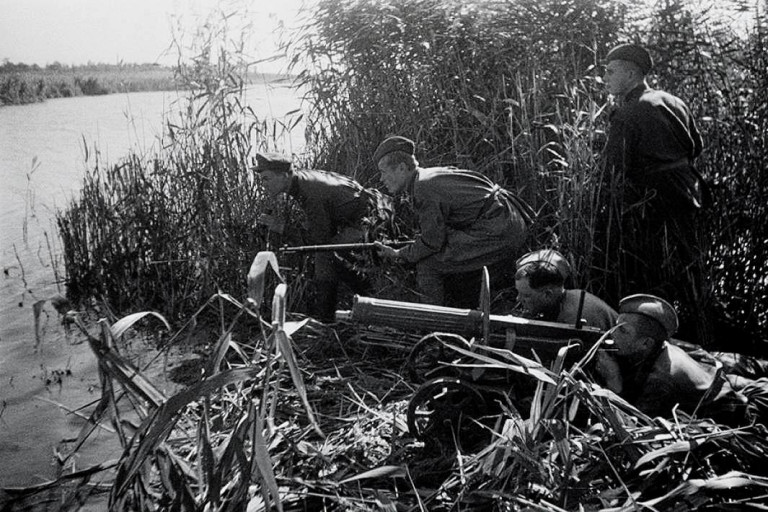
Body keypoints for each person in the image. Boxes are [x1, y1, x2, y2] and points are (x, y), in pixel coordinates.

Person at [597, 42, 711, 344]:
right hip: (690, 192)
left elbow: (612, 169)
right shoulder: (673, 101)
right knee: (691, 268)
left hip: (656, 203)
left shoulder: (629, 113)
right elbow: (696, 148)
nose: (604, 78)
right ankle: (703, 327)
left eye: (610, 72)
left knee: (656, 275)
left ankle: (662, 336)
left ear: (632, 73)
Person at [372, 136, 531, 307]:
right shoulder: (428, 176)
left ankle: (435, 321)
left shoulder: (423, 188)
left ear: (402, 168)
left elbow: (432, 242)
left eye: (383, 172)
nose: (381, 179)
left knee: (428, 264)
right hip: (506, 220)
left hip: (500, 228)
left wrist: (398, 254)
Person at [253, 152, 391, 321]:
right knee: (324, 260)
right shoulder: (300, 180)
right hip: (361, 215)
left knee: (331, 255)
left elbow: (319, 242)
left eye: (267, 179)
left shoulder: (310, 192)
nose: (263, 185)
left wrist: (281, 227)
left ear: (284, 176)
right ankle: (327, 319)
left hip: (371, 218)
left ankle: (373, 307)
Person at [595, 294, 768, 426]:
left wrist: (614, 381)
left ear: (645, 343)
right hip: (728, 386)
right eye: (615, 325)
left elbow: (632, 426)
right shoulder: (662, 345)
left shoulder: (662, 379)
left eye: (623, 331)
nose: (611, 334)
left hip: (744, 417)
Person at [514, 249, 618, 332]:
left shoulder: (569, 320)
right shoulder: (570, 298)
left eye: (526, 295)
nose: (518, 299)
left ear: (547, 294)